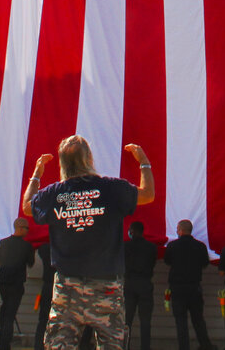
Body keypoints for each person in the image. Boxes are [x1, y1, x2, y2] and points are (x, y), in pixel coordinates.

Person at [23, 136, 154, 350]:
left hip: (67, 287)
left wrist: (37, 174)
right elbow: (148, 195)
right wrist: (144, 162)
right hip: (106, 286)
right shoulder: (111, 188)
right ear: (89, 158)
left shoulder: (54, 193)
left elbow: (28, 206)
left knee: (60, 345)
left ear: (62, 163)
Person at [164, 219, 216, 350]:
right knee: (198, 319)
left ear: (181, 230)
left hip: (177, 288)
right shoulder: (200, 246)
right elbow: (205, 263)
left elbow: (167, 261)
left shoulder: (172, 246)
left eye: (177, 229)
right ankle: (205, 345)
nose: (176, 231)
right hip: (194, 287)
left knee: (180, 321)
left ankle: (184, 347)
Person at [0, 218, 35, 350]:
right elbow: (31, 263)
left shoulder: (3, 243)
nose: (27, 231)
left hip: (3, 282)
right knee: (10, 313)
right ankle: (4, 344)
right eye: (27, 228)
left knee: (5, 310)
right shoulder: (27, 246)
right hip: (16, 283)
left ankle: (1, 339)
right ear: (20, 227)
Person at [125, 221, 158, 350]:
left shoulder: (125, 246)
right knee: (145, 321)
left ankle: (125, 345)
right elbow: (152, 263)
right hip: (145, 283)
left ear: (132, 231)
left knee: (127, 320)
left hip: (129, 283)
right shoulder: (151, 247)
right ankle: (145, 347)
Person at [34, 243, 55, 350]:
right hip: (62, 285)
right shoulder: (64, 246)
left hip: (47, 283)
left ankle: (39, 345)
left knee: (43, 318)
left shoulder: (44, 248)